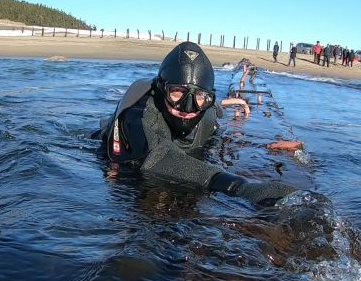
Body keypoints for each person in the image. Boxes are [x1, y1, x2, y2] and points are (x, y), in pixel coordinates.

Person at [94, 41, 296, 206]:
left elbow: (211, 108)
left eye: (201, 96)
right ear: (160, 89)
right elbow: (156, 157)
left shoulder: (206, 107)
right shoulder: (139, 115)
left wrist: (234, 103)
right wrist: (239, 187)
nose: (188, 107)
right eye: (177, 93)